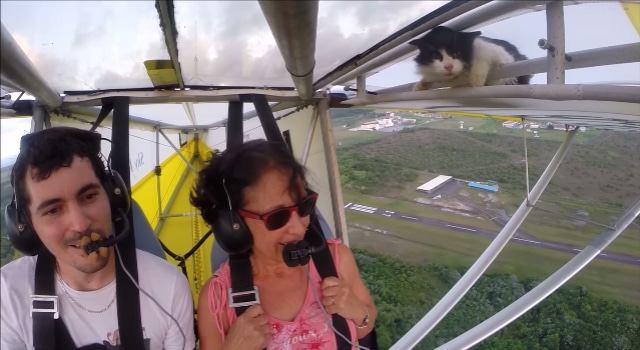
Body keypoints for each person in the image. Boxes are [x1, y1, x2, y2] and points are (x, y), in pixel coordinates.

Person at [0, 126, 196, 349]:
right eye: (53, 210)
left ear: (113, 199)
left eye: (89, 196)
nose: (80, 224)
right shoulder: (8, 293)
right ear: (24, 226)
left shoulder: (169, 287)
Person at [191, 139, 377, 350]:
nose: (299, 228)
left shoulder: (336, 260)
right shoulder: (217, 299)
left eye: (304, 206)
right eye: (277, 217)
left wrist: (358, 312)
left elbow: (365, 327)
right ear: (234, 225)